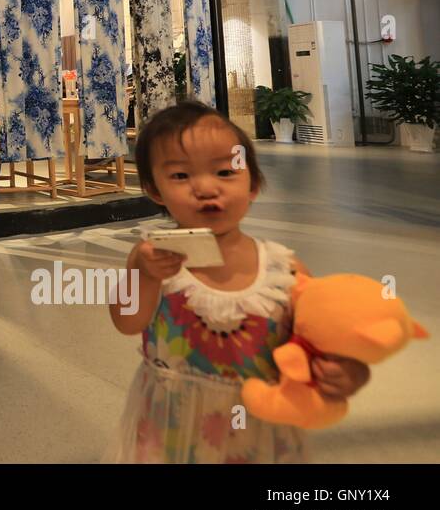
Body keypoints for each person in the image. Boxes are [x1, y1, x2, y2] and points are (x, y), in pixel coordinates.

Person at [107, 101, 370, 463]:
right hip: (171, 430)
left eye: (225, 172)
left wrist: (345, 371)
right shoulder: (158, 263)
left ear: (253, 185)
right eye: (181, 176)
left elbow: (321, 341)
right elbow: (127, 322)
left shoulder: (284, 270)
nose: (205, 187)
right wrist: (139, 270)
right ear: (155, 190)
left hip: (260, 435)